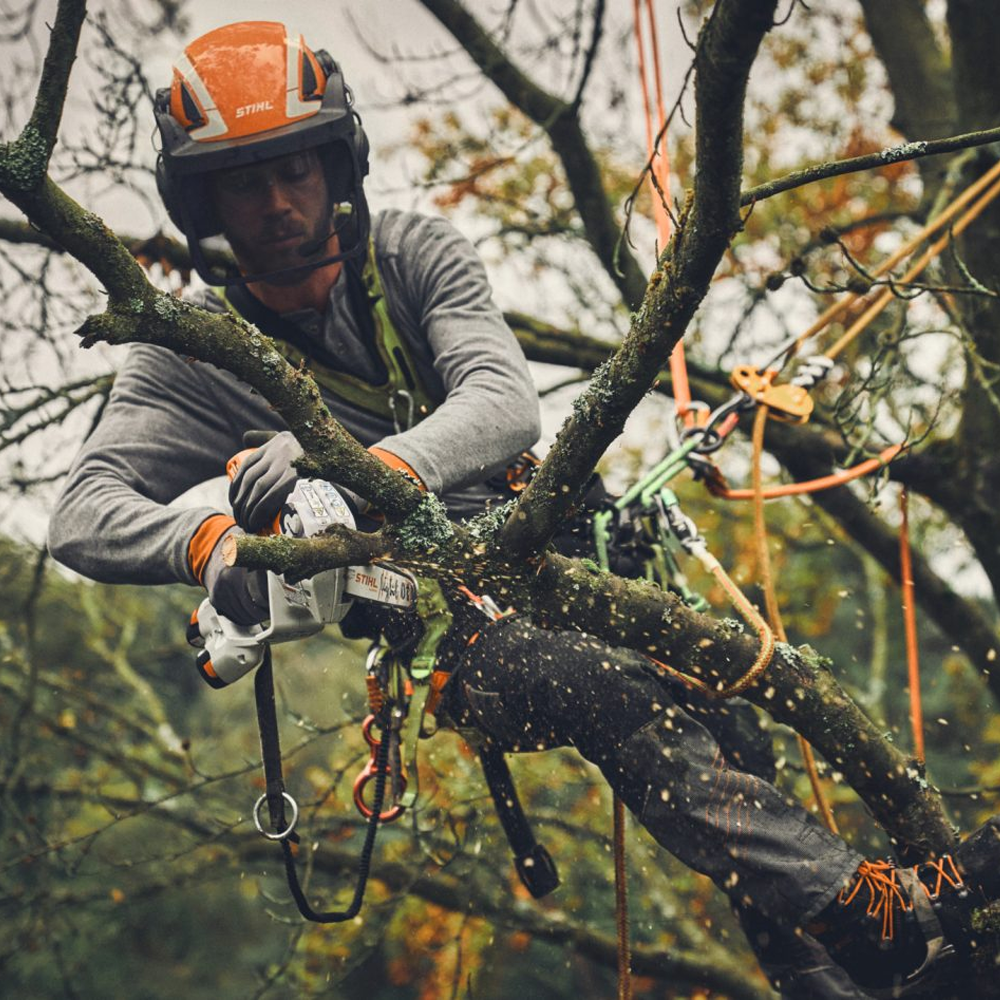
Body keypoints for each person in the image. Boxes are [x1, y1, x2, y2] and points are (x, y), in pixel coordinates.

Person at [46, 22, 992, 999]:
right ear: (201, 200)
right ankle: (864, 911)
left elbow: (502, 402)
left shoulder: (414, 255)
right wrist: (207, 541)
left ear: (337, 164)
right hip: (457, 637)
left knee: (725, 729)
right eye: (245, 181)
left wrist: (350, 464)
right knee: (597, 685)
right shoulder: (189, 356)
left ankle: (843, 963)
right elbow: (82, 511)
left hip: (563, 550)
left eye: (295, 168)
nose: (280, 203)